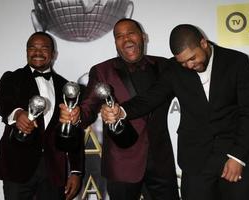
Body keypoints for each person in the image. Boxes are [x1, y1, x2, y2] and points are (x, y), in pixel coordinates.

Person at [101, 24, 249, 200]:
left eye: (192, 58)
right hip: (196, 162)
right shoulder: (173, 68)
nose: (189, 65)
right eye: (183, 62)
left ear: (203, 43)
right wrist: (121, 111)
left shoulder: (236, 62)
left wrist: (237, 157)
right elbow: (151, 98)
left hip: (236, 155)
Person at [59, 18, 180, 200]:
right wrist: (75, 116)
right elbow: (88, 108)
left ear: (143, 37)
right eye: (119, 36)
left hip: (161, 165)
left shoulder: (165, 66)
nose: (126, 39)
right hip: (122, 165)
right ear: (115, 42)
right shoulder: (102, 71)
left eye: (131, 33)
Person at [0, 32, 84, 200]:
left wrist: (76, 171)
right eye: (32, 48)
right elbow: (3, 103)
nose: (37, 52)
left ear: (54, 54)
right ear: (26, 51)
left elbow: (73, 131)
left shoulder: (66, 86)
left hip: (53, 170)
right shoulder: (12, 78)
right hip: (17, 167)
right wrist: (18, 114)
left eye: (44, 48)